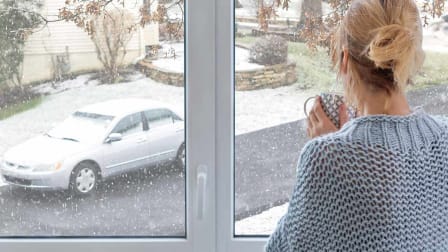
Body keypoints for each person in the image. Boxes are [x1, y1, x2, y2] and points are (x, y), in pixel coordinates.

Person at [265, 0, 448, 251]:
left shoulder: (325, 156)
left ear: (345, 59)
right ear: (412, 56)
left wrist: (335, 148)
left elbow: (285, 248)